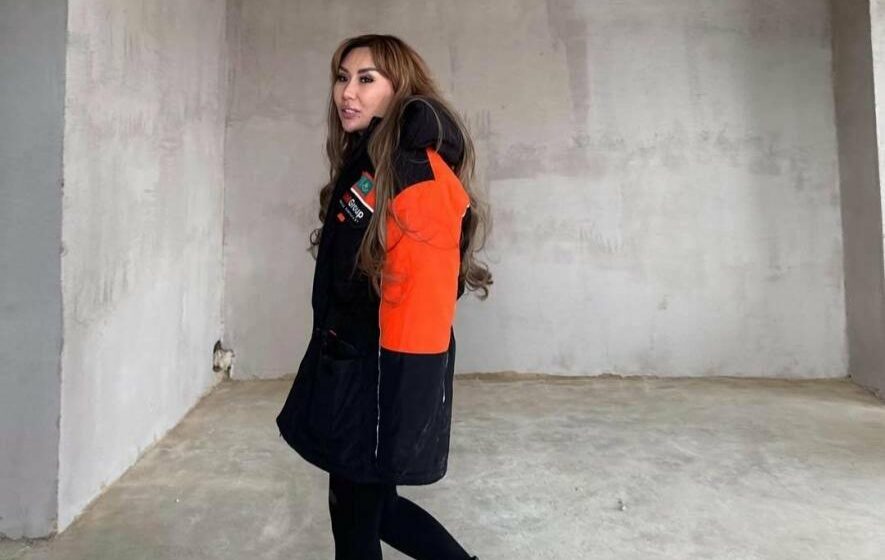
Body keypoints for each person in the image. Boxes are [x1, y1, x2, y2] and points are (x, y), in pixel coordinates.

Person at [276, 34, 493, 560]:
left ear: (400, 89)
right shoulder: (372, 160)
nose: (347, 92)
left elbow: (424, 303)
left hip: (379, 379)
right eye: (342, 78)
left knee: (356, 516)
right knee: (374, 508)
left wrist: (397, 408)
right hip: (353, 367)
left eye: (366, 79)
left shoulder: (413, 172)